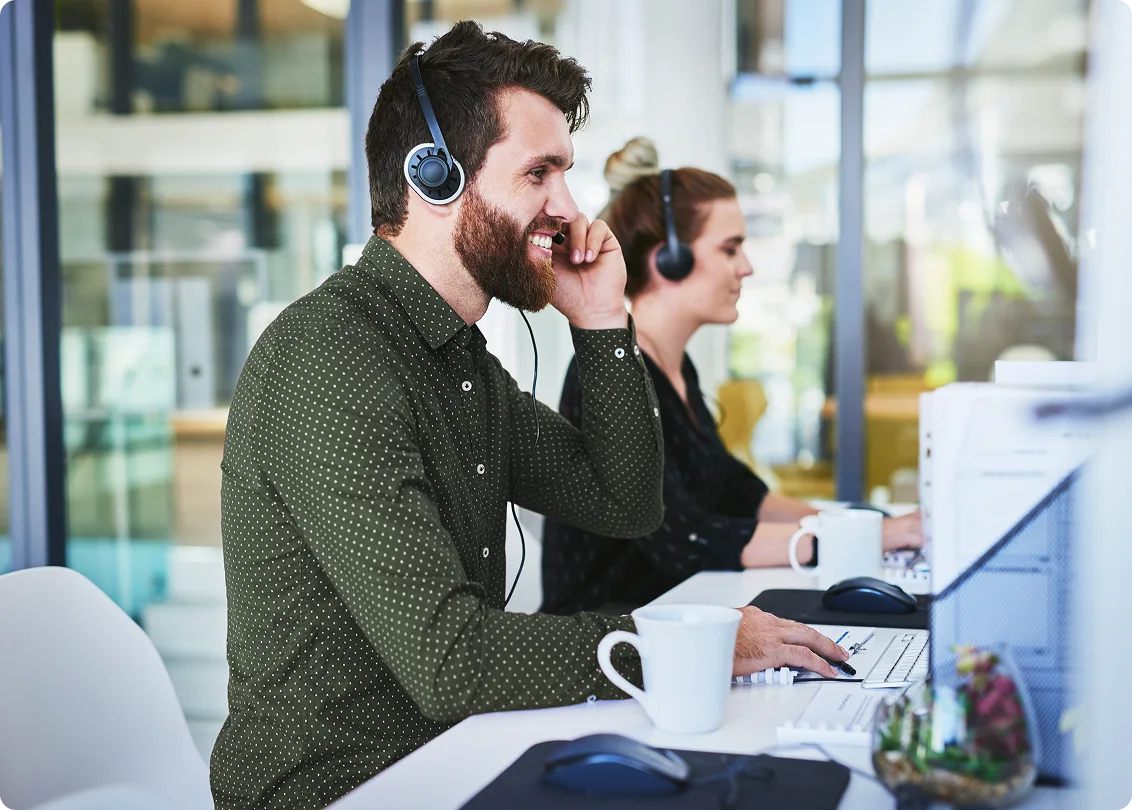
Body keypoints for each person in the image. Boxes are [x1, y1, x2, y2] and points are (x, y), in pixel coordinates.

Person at [211, 27, 850, 810]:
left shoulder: (461, 362)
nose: (569, 209)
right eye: (539, 173)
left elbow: (624, 505)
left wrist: (602, 325)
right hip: (346, 788)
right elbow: (453, 661)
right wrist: (696, 646)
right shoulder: (330, 358)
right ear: (434, 178)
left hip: (461, 757)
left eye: (566, 174)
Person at [542, 138, 923, 615]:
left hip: (676, 620)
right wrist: (874, 535)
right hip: (608, 648)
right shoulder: (607, 375)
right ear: (668, 259)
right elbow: (687, 540)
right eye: (730, 248)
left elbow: (738, 493)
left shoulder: (676, 367)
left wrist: (870, 528)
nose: (747, 266)